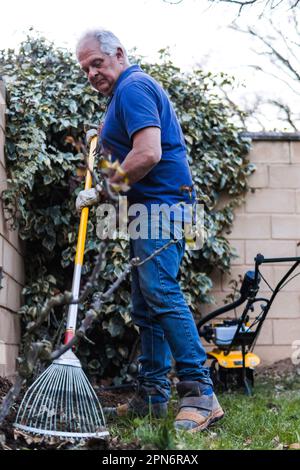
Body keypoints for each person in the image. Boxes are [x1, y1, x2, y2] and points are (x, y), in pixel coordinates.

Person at [75, 29, 224, 432]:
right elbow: (126, 158)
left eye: (97, 63)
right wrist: (101, 147)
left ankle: (200, 393)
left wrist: (105, 190)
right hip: (150, 209)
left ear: (119, 54)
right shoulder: (120, 98)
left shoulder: (133, 87)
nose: (91, 73)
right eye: (85, 68)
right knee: (145, 303)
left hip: (164, 207)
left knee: (160, 291)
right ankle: (154, 397)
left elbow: (149, 153)